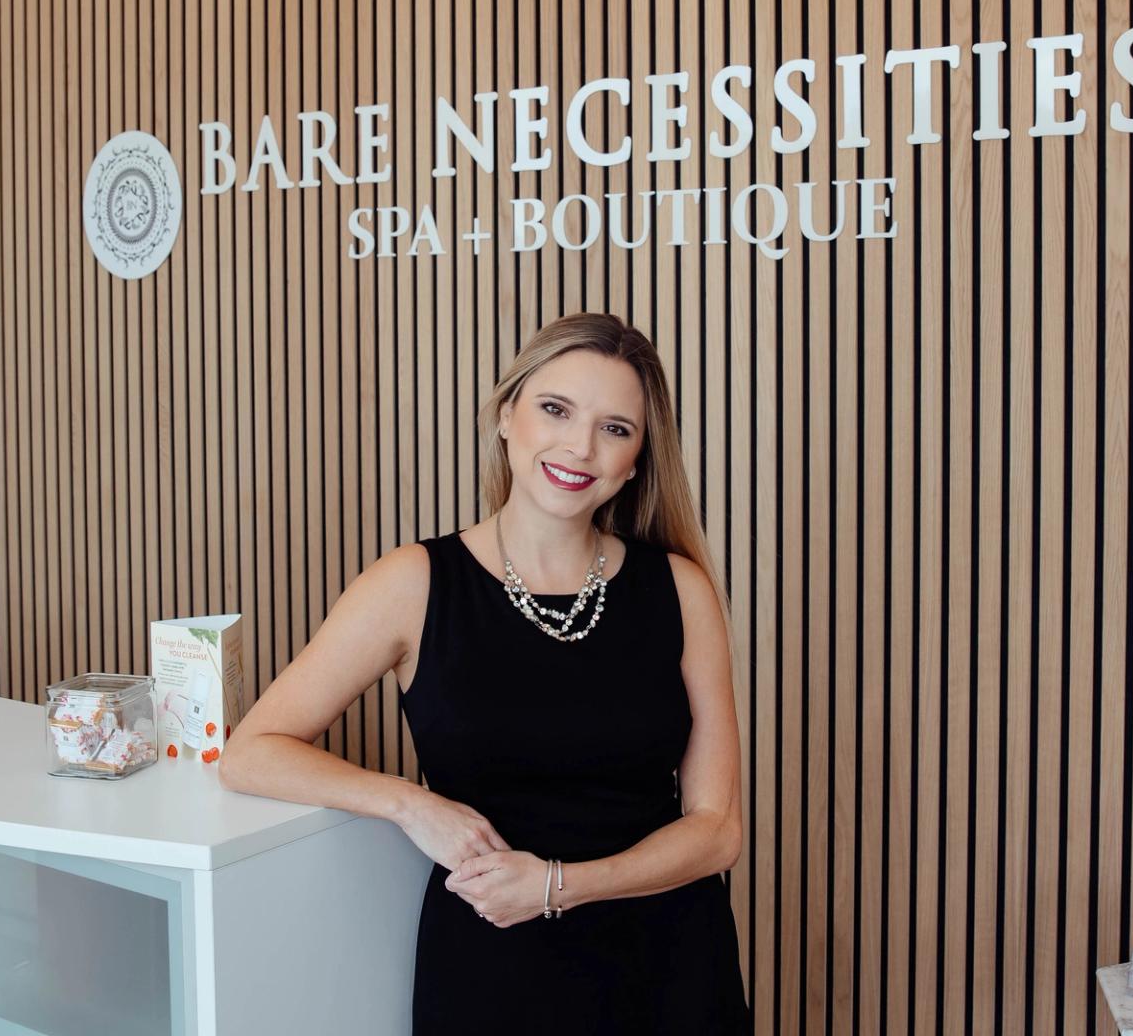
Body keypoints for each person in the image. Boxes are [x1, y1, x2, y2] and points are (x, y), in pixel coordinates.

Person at [219, 311, 752, 1034]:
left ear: (636, 461)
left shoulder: (681, 589)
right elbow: (252, 751)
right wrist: (411, 803)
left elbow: (717, 830)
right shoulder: (411, 583)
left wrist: (558, 886)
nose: (579, 447)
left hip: (670, 972)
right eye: (555, 409)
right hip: (493, 973)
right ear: (507, 416)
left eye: (615, 429)